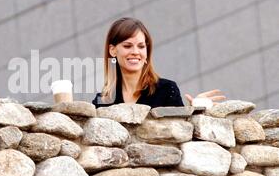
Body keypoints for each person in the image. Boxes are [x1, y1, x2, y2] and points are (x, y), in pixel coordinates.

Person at [92, 17, 225, 108]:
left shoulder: (166, 90)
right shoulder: (103, 100)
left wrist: (194, 111)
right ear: (113, 50)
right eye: (127, 46)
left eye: (141, 46)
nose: (135, 52)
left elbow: (182, 135)